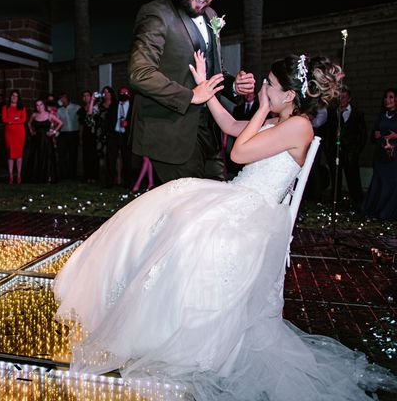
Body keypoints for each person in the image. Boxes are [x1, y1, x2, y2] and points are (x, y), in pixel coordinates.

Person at [54, 53, 397, 399]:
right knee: (171, 202)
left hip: (253, 210)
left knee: (188, 225)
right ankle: (140, 306)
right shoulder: (283, 118)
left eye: (270, 85)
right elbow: (233, 127)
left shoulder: (299, 126)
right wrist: (207, 91)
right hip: (238, 196)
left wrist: (260, 108)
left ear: (290, 95)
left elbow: (238, 154)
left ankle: (175, 330)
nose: (263, 88)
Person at [128, 0, 254, 184]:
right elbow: (139, 72)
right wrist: (190, 96)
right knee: (188, 216)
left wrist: (233, 86)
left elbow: (212, 74)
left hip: (211, 137)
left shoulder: (211, 16)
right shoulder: (157, 13)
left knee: (218, 204)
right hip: (173, 138)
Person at [325, 87, 366, 209]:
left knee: (353, 177)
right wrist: (329, 150)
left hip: (350, 152)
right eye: (339, 97)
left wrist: (356, 150)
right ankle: (335, 203)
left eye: (344, 97)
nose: (341, 99)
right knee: (336, 178)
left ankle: (358, 202)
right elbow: (327, 133)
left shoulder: (357, 114)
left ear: (349, 98)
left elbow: (362, 134)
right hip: (335, 152)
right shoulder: (332, 113)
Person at [361, 88, 397, 220]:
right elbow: (374, 133)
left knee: (391, 183)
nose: (388, 100)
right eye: (386, 97)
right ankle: (375, 209)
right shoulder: (382, 115)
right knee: (379, 182)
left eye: (391, 97)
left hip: (394, 156)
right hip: (381, 154)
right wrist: (376, 134)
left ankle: (387, 211)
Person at [27, 98, 62, 183]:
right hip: (36, 140)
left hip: (46, 140)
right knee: (37, 157)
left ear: (44, 105)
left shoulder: (49, 115)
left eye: (41, 104)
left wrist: (53, 131)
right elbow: (29, 123)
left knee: (47, 158)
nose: (39, 107)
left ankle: (48, 177)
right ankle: (37, 177)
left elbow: (61, 123)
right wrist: (31, 130)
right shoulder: (34, 115)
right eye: (37, 105)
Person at [104, 86, 133, 188]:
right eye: (121, 93)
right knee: (111, 159)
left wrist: (127, 123)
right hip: (114, 135)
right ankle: (110, 182)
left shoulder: (132, 107)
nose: (123, 95)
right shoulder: (114, 105)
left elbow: (135, 121)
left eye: (125, 93)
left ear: (129, 94)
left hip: (126, 136)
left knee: (127, 159)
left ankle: (127, 183)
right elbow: (108, 119)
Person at [1, 89, 26, 184]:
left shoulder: (22, 107)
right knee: (10, 154)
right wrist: (15, 119)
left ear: (18, 98)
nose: (14, 97)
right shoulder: (5, 107)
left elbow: (23, 119)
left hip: (20, 133)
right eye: (12, 95)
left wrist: (12, 121)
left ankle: (19, 175)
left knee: (19, 154)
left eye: (16, 96)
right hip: (9, 133)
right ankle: (11, 175)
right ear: (10, 97)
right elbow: (4, 119)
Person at [57, 93, 80, 179]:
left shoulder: (76, 107)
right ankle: (63, 174)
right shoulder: (60, 110)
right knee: (62, 155)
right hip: (63, 134)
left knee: (73, 154)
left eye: (63, 98)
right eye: (60, 99)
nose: (62, 100)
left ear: (67, 99)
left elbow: (80, 121)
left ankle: (72, 175)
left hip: (74, 133)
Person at [78, 90, 99, 183]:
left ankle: (94, 176)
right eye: (84, 95)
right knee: (86, 155)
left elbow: (90, 116)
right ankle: (87, 176)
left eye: (87, 95)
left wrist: (92, 102)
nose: (86, 97)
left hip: (94, 133)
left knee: (93, 155)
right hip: (86, 134)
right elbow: (81, 124)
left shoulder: (96, 107)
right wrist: (80, 136)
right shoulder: (81, 110)